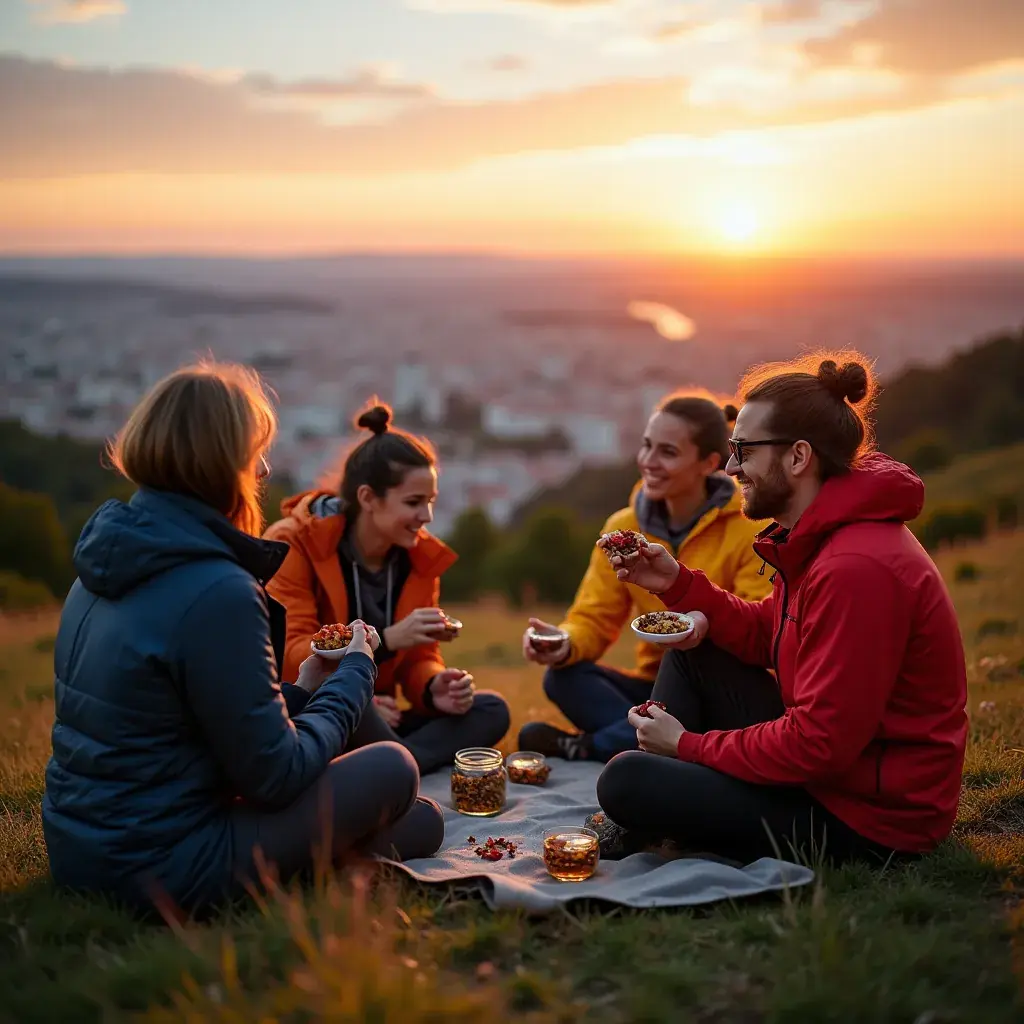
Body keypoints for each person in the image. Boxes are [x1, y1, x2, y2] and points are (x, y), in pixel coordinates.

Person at [42, 363, 444, 915]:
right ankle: (330, 862)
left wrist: (302, 687)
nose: (260, 469)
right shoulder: (217, 589)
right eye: (254, 455)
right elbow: (276, 777)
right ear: (227, 465)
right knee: (397, 776)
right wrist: (356, 667)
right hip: (164, 866)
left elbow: (197, 725)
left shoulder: (101, 567)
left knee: (414, 815)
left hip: (80, 845)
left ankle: (338, 851)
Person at [593, 354, 968, 866]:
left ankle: (655, 805)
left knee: (626, 779)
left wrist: (687, 747)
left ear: (797, 457)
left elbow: (818, 744)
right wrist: (677, 584)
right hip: (840, 777)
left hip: (873, 820)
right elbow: (768, 630)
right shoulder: (822, 536)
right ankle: (659, 808)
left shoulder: (855, 567)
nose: (730, 467)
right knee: (691, 648)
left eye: (743, 450)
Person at [517, 393, 771, 762]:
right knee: (563, 677)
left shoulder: (750, 529)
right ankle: (651, 742)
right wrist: (565, 642)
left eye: (667, 452)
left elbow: (756, 621)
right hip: (650, 686)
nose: (648, 462)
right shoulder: (623, 527)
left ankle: (594, 747)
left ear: (709, 463)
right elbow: (594, 615)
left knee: (687, 698)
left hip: (713, 687)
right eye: (646, 446)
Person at [265, 402, 510, 775]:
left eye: (429, 503)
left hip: (385, 718)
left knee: (492, 709)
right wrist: (385, 644)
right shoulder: (294, 542)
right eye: (413, 503)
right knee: (358, 714)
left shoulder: (419, 558)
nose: (426, 517)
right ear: (367, 498)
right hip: (318, 711)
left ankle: (397, 762)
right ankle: (400, 763)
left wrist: (433, 687)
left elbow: (419, 658)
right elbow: (291, 652)